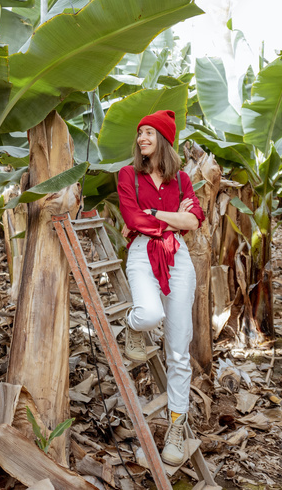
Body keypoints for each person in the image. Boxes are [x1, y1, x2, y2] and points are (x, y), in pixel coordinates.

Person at [116, 109, 205, 467]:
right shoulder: (128, 175)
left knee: (179, 349)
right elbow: (130, 218)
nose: (142, 139)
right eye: (140, 134)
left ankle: (176, 428)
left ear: (164, 140)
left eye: (150, 133)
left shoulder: (181, 179)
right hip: (141, 253)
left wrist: (156, 216)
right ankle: (131, 326)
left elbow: (195, 220)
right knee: (150, 313)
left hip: (178, 257)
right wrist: (171, 219)